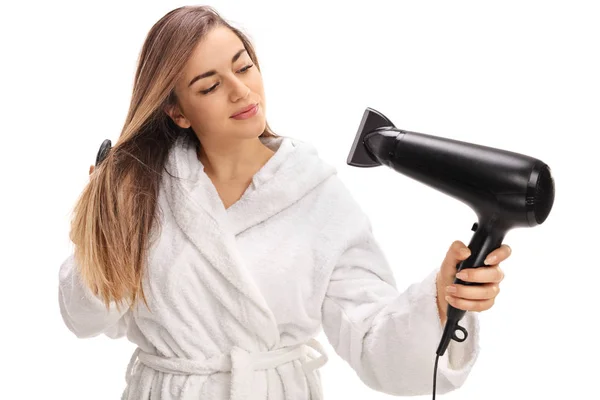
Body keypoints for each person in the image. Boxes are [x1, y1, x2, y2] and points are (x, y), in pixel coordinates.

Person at [61, 5, 511, 400]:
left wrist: (438, 298)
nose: (241, 91)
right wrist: (104, 229)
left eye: (243, 66)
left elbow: (373, 343)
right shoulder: (142, 191)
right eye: (209, 86)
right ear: (177, 112)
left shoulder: (314, 194)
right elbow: (84, 319)